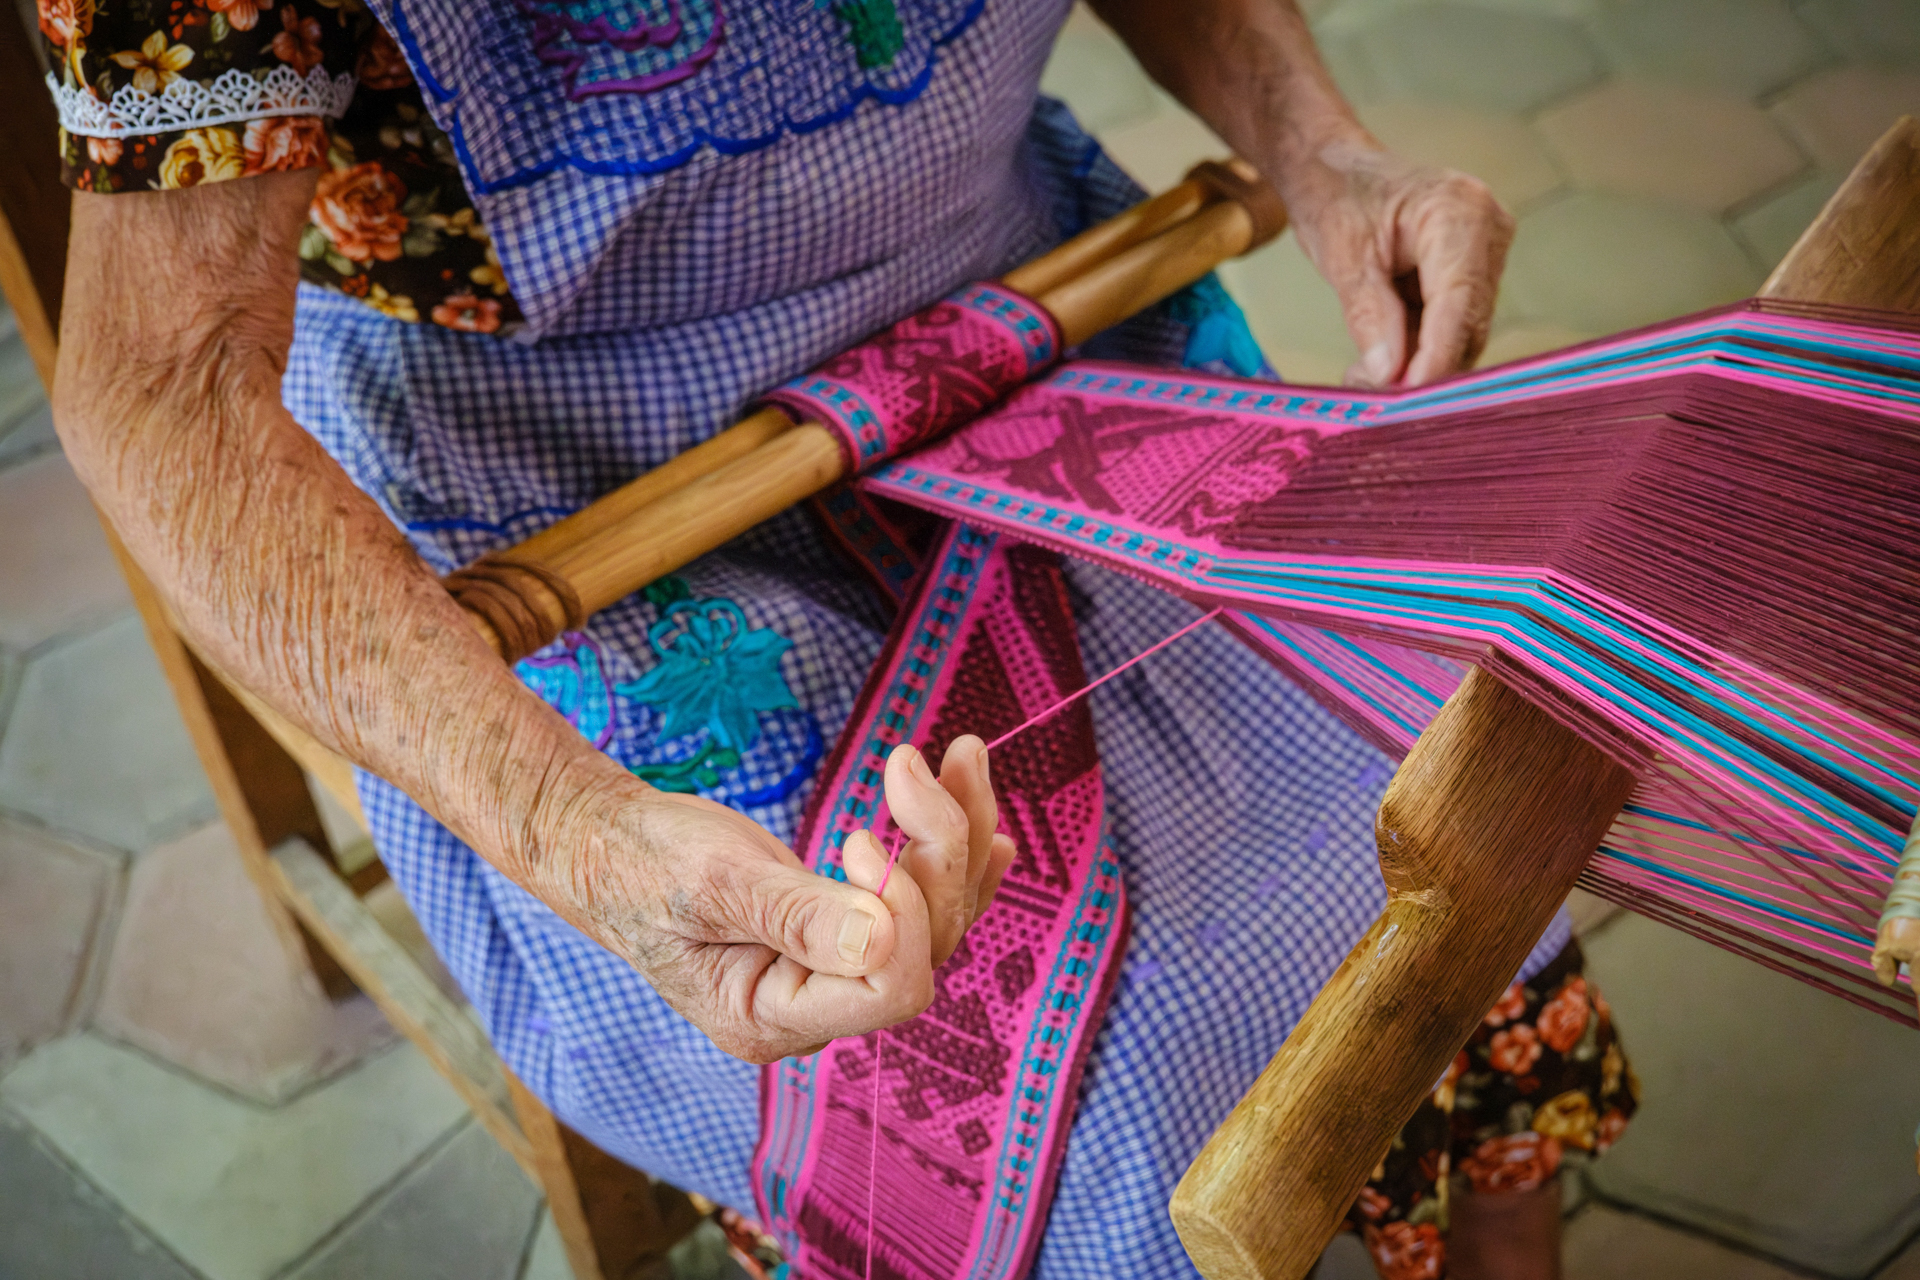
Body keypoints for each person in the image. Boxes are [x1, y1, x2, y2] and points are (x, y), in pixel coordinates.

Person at [38, 0, 1633, 1274]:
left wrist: (1325, 155)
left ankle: (1479, 1194)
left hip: (1033, 306)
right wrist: (580, 831)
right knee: (1045, 1073)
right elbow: (167, 390)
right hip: (564, 482)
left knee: (1455, 806)